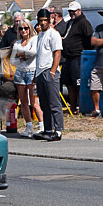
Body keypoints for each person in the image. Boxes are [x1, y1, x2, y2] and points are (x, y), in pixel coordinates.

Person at [32, 8, 63, 141]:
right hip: (40, 71)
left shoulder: (53, 34)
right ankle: (48, 129)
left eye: (45, 20)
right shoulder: (39, 35)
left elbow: (57, 53)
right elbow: (39, 56)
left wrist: (53, 71)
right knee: (44, 103)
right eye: (40, 21)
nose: (43, 23)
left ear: (50, 20)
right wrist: (35, 74)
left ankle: (58, 131)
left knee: (54, 103)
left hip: (49, 71)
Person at [10, 19, 44, 137]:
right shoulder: (17, 43)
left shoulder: (34, 39)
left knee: (34, 102)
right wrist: (23, 56)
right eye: (21, 28)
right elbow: (12, 61)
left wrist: (21, 55)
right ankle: (28, 126)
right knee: (23, 102)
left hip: (31, 71)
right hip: (20, 73)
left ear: (30, 28)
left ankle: (41, 125)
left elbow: (33, 52)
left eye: (26, 28)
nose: (23, 30)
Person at [60, 1, 94, 113]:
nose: (72, 13)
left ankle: (81, 106)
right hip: (67, 57)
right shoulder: (70, 22)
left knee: (78, 83)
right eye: (70, 11)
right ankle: (73, 107)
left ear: (79, 10)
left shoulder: (84, 23)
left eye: (74, 11)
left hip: (78, 56)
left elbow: (89, 39)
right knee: (69, 83)